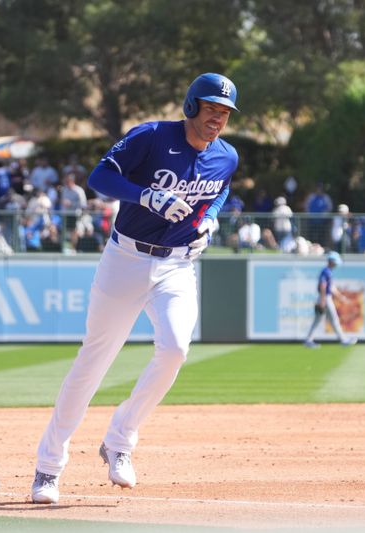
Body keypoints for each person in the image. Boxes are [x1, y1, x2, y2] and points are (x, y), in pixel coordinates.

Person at [30, 73, 239, 504]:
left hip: (178, 267)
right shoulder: (151, 137)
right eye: (211, 108)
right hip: (125, 260)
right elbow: (99, 178)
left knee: (176, 348)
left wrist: (209, 221)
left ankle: (120, 440)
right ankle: (48, 467)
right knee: (94, 362)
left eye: (224, 112)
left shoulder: (227, 156)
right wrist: (147, 196)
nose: (217, 118)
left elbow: (219, 193)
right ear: (190, 105)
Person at [303, 251, 358, 348]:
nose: (336, 265)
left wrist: (341, 297)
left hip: (324, 297)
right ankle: (343, 340)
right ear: (331, 261)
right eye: (335, 262)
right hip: (325, 298)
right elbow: (323, 286)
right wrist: (323, 301)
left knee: (319, 320)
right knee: (333, 319)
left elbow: (331, 287)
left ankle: (308, 340)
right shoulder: (325, 271)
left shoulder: (328, 272)